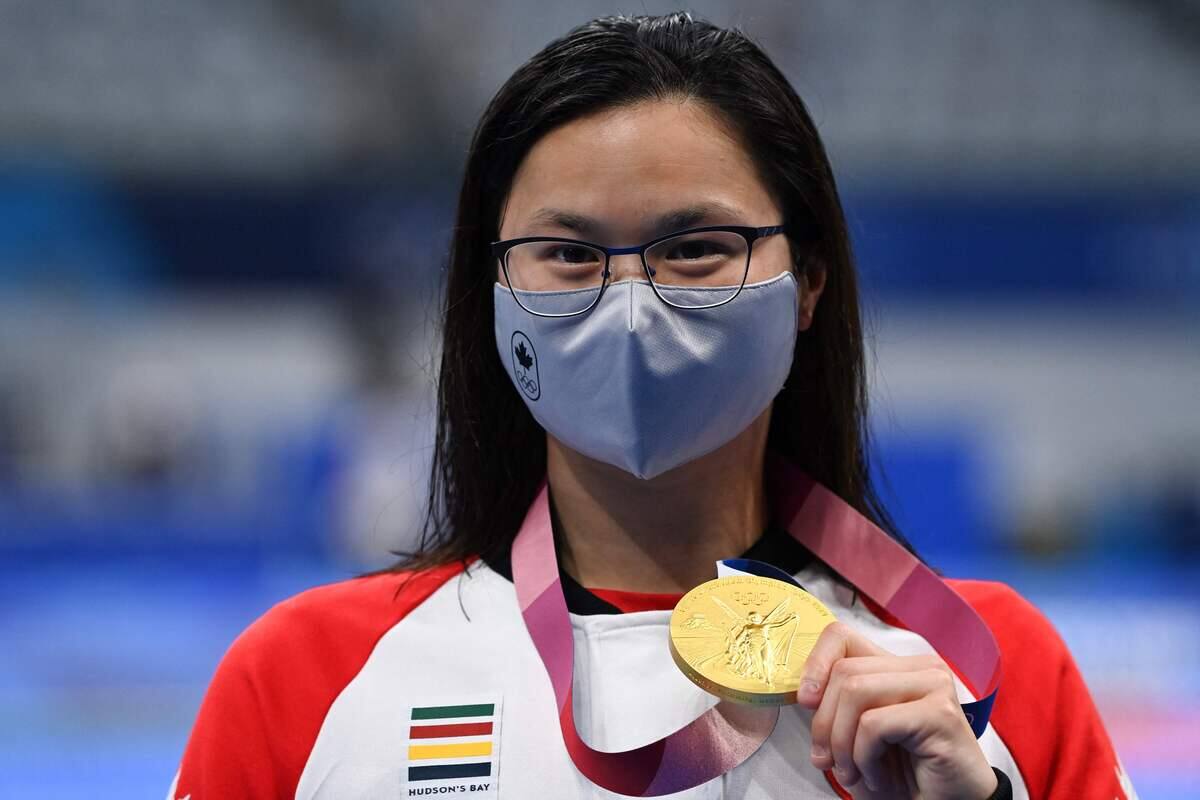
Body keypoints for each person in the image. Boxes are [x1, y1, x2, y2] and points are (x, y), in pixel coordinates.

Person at [169, 13, 1135, 800]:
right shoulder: (305, 678)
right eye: (568, 254)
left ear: (809, 282)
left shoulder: (988, 675)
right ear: (493, 295)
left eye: (696, 248)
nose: (630, 306)